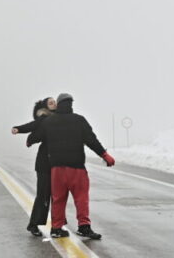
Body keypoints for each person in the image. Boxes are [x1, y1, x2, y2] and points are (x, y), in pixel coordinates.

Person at [28, 93, 115, 240]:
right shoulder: (79, 120)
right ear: (71, 104)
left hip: (57, 170)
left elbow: (34, 137)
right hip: (77, 168)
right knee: (81, 199)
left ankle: (56, 228)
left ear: (59, 104)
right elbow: (92, 140)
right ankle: (84, 227)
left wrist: (29, 140)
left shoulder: (49, 121)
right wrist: (105, 155)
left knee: (58, 199)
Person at [11, 96, 57, 236]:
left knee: (57, 197)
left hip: (57, 163)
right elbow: (31, 126)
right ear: (45, 107)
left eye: (55, 102)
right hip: (44, 163)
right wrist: (18, 129)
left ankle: (57, 226)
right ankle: (33, 224)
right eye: (51, 102)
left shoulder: (60, 118)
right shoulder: (43, 119)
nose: (54, 104)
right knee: (43, 196)